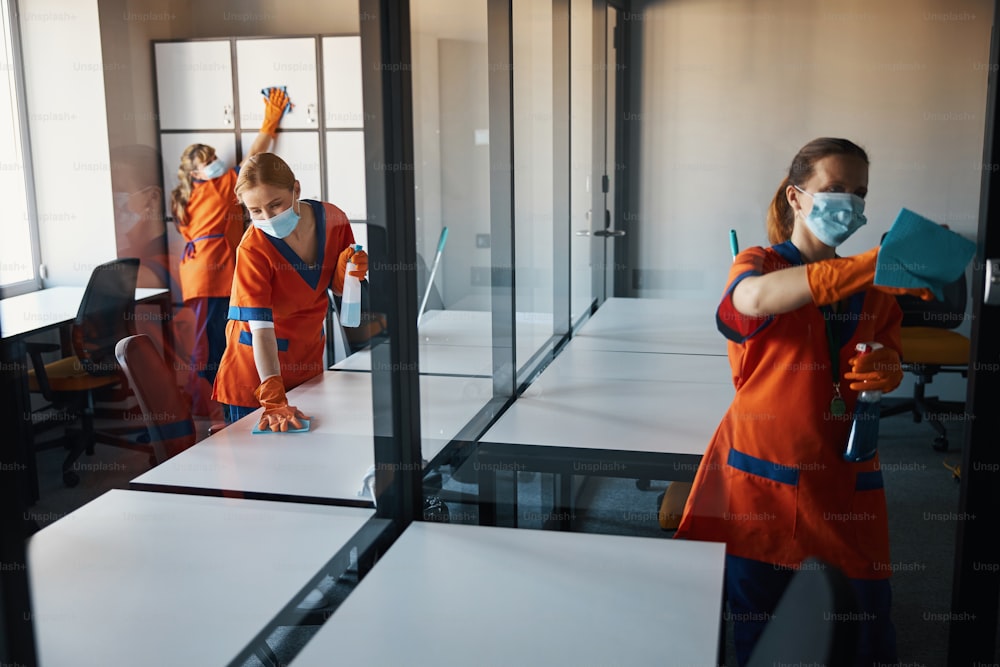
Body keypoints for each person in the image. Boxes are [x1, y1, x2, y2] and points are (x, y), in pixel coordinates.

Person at [673, 138, 934, 666]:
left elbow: (888, 351)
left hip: (843, 476)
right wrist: (873, 263)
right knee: (764, 633)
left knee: (863, 629)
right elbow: (750, 302)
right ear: (796, 198)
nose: (852, 204)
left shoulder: (876, 289)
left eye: (859, 192)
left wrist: (886, 369)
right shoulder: (761, 264)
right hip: (762, 478)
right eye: (835, 189)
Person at [212, 151, 368, 429]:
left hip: (306, 362)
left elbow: (340, 295)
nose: (267, 218)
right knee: (264, 467)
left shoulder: (334, 220)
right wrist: (272, 398)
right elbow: (261, 330)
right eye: (255, 211)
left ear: (296, 189)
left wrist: (349, 273)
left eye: (275, 205)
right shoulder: (252, 249)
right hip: (257, 379)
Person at [169, 88, 291, 419]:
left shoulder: (183, 196)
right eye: (206, 162)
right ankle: (213, 408)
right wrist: (270, 121)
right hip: (215, 273)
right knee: (217, 344)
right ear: (195, 173)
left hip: (196, 274)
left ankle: (206, 406)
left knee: (204, 343)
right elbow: (255, 156)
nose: (214, 164)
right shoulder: (222, 185)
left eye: (212, 157)